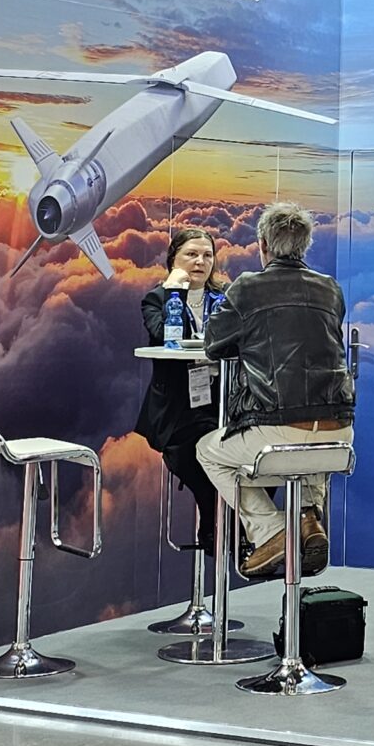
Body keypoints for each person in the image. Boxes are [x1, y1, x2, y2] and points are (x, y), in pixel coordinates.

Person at [197, 204, 353, 580]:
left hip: (277, 434)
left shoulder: (247, 287)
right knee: (310, 447)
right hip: (340, 435)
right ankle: (309, 516)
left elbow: (214, 345)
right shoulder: (330, 289)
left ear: (263, 245)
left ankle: (270, 530)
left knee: (207, 451)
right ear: (305, 245)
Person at [136, 228, 223, 553]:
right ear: (174, 259)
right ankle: (216, 526)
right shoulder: (156, 298)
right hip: (177, 412)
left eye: (207, 255)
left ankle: (226, 527)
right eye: (192, 254)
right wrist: (176, 292)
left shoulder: (224, 298)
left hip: (218, 403)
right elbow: (164, 335)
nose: (200, 262)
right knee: (197, 457)